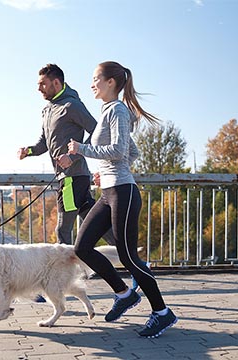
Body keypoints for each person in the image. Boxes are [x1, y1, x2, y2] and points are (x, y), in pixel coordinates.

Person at [68, 61, 178, 338]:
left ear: (111, 83)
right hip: (109, 190)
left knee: (129, 257)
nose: (92, 84)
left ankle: (162, 313)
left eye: (96, 79)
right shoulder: (109, 111)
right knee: (82, 247)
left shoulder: (117, 109)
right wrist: (104, 173)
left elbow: (118, 149)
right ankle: (124, 293)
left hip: (123, 192)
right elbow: (132, 152)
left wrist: (82, 149)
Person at [18, 63, 117, 248]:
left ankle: (67, 274)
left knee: (63, 231)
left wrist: (72, 155)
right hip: (68, 178)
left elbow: (97, 132)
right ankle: (130, 256)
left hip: (72, 178)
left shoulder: (71, 106)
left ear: (56, 82)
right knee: (94, 222)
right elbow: (43, 144)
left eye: (42, 84)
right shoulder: (48, 110)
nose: (38, 88)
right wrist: (28, 151)